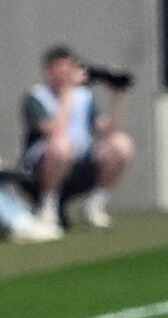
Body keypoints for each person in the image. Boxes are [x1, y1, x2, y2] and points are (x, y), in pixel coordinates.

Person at [18, 46, 135, 238]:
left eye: (68, 69)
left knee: (121, 144)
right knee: (62, 146)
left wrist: (117, 96)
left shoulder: (84, 97)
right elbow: (54, 130)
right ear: (48, 71)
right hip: (43, 165)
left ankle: (94, 206)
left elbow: (108, 130)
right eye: (60, 69)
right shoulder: (36, 97)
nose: (65, 74)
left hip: (81, 161)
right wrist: (66, 92)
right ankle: (48, 207)